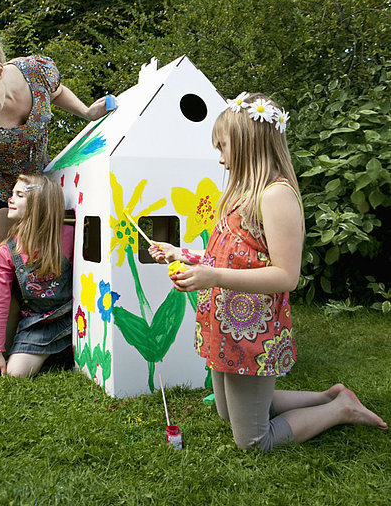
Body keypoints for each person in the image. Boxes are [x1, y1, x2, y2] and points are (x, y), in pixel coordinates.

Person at [149, 92, 387, 451]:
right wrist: (180, 254)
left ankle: (341, 409)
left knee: (254, 441)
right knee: (227, 415)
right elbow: (226, 256)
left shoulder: (276, 196)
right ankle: (327, 395)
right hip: (225, 324)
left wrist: (214, 278)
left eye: (223, 147)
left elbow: (286, 276)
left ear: (247, 144)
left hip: (252, 332)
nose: (221, 158)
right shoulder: (242, 194)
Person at [0, 30, 113, 332]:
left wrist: (87, 112)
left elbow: (56, 91)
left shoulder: (36, 71)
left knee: (40, 245)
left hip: (33, 181)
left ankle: (44, 320)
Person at [0, 174, 73, 386]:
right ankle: (53, 353)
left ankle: (63, 352)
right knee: (15, 373)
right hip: (38, 324)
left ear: (39, 205)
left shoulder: (71, 236)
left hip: (74, 318)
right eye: (12, 194)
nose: (10, 199)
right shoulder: (7, 252)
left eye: (19, 195)